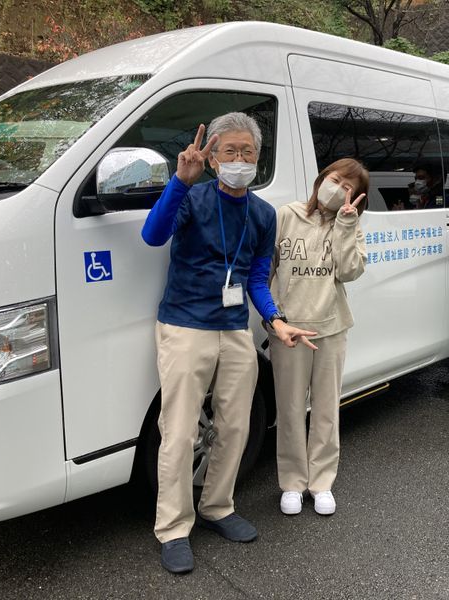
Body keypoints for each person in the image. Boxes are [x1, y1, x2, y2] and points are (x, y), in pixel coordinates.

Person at [141, 112, 314, 574]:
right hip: (185, 325)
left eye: (248, 152)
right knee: (179, 433)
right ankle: (173, 528)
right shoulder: (192, 196)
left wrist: (275, 320)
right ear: (214, 159)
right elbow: (153, 235)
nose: (240, 160)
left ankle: (217, 507)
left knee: (236, 427)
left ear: (258, 158)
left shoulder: (263, 214)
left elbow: (257, 277)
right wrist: (180, 180)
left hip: (235, 330)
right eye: (230, 151)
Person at [268, 158, 369, 517]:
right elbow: (266, 269)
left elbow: (350, 271)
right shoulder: (287, 215)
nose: (338, 188)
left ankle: (322, 482)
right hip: (289, 330)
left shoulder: (350, 225)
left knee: (326, 409)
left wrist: (345, 224)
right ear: (321, 178)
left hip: (331, 327)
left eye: (348, 187)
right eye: (335, 179)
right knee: (290, 409)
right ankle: (292, 483)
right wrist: (273, 319)